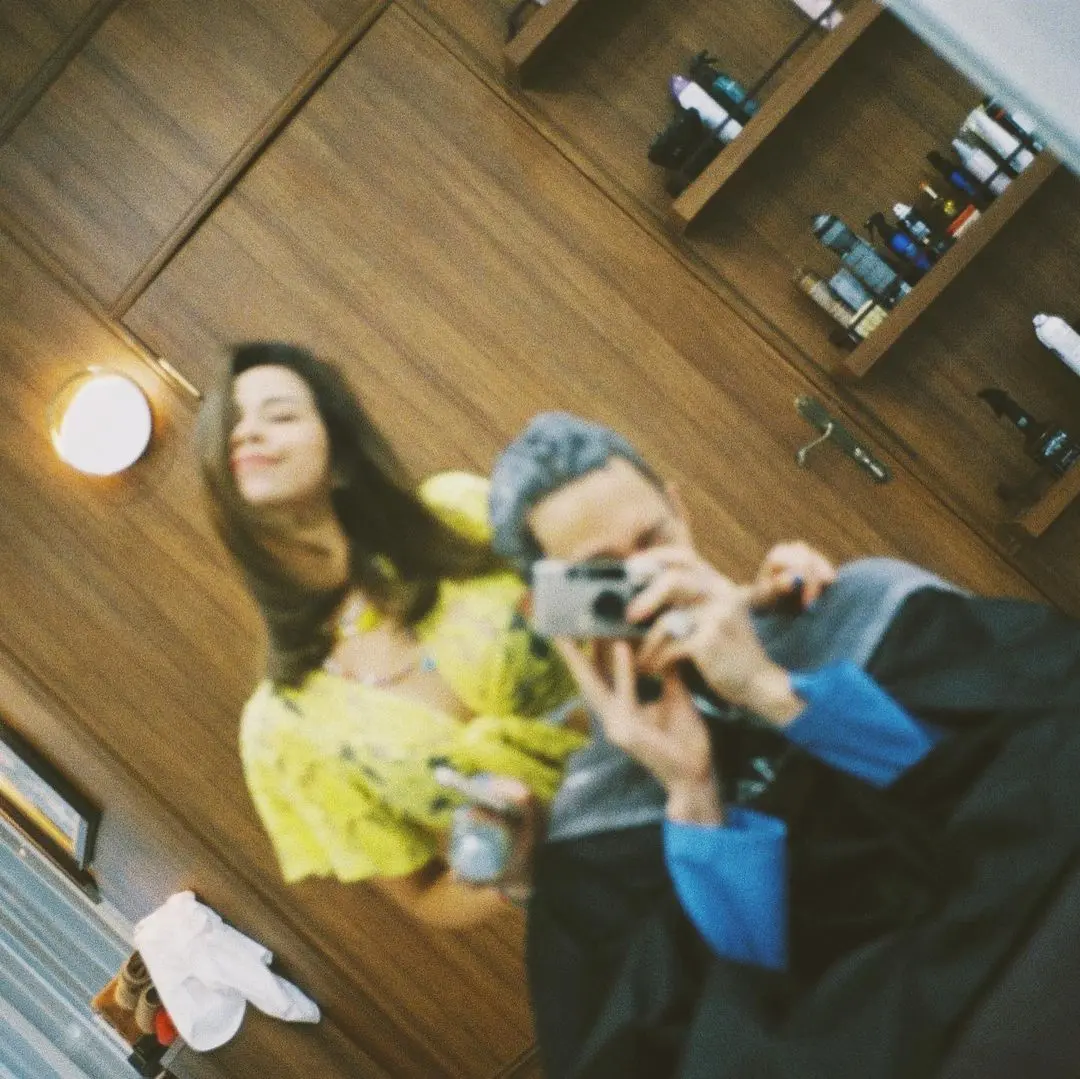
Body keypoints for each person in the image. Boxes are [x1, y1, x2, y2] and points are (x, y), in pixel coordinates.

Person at [488, 411, 1080, 1079]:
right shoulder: (595, 837)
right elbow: (725, 1046)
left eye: (654, 539)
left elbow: (1031, 782)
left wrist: (775, 692)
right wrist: (693, 796)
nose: (648, 579)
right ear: (547, 608)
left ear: (680, 512)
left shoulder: (855, 608)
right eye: (603, 573)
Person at [195, 342, 589, 926]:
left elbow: (619, 611)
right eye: (231, 423)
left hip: (697, 780)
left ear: (340, 458)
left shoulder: (456, 513)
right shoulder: (281, 729)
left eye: (279, 414)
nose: (247, 432)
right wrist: (516, 873)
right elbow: (426, 895)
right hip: (598, 901)